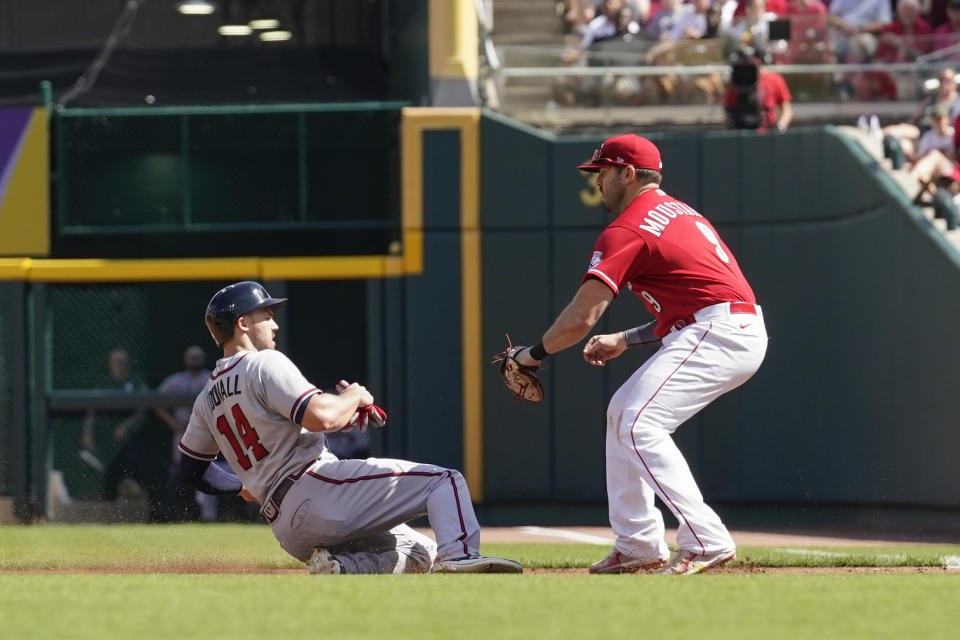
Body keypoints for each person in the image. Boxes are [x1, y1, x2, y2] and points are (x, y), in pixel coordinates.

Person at [507, 135, 767, 575]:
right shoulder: (679, 211)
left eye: (603, 172)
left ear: (628, 173)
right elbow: (690, 307)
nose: (598, 183)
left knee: (639, 421)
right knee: (622, 411)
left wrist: (531, 355)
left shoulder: (629, 226)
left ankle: (706, 540)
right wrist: (626, 339)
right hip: (724, 326)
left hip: (719, 331)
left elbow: (581, 318)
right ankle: (638, 543)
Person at [176, 281, 521, 575]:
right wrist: (354, 397)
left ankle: (342, 568)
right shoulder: (263, 362)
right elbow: (321, 417)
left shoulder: (207, 397)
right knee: (443, 482)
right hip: (315, 488)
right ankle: (460, 557)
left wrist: (242, 487)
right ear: (243, 324)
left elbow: (191, 470)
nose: (274, 323)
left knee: (422, 553)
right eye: (266, 315)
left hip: (286, 529)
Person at [155, 345, 218, 521]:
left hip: (207, 432)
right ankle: (178, 514)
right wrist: (171, 422)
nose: (195, 360)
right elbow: (155, 400)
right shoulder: (176, 381)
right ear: (185, 360)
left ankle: (208, 516)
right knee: (180, 473)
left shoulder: (211, 377)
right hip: (183, 431)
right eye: (192, 357)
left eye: (198, 357)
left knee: (208, 472)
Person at [722, 47, 793, 132]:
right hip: (740, 133)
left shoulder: (774, 79)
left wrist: (780, 127)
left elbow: (787, 109)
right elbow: (727, 108)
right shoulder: (735, 81)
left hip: (768, 133)